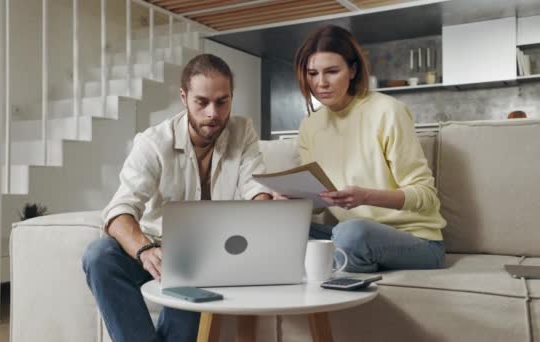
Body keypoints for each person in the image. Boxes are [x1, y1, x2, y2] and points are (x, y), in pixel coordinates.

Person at [82, 54, 271, 342]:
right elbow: (119, 212)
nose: (213, 113)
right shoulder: (153, 143)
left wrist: (264, 206)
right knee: (98, 257)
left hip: (207, 254)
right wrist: (145, 250)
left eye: (222, 101)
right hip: (153, 248)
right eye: (202, 102)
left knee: (194, 267)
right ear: (184, 97)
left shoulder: (242, 131)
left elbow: (256, 188)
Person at [291, 25, 446, 273]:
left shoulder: (388, 111)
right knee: (283, 229)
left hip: (417, 241)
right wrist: (292, 198)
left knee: (351, 233)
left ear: (352, 70)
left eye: (332, 71)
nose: (320, 83)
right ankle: (347, 263)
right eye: (312, 73)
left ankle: (338, 265)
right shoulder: (310, 125)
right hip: (349, 236)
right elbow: (319, 202)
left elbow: (425, 196)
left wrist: (366, 197)